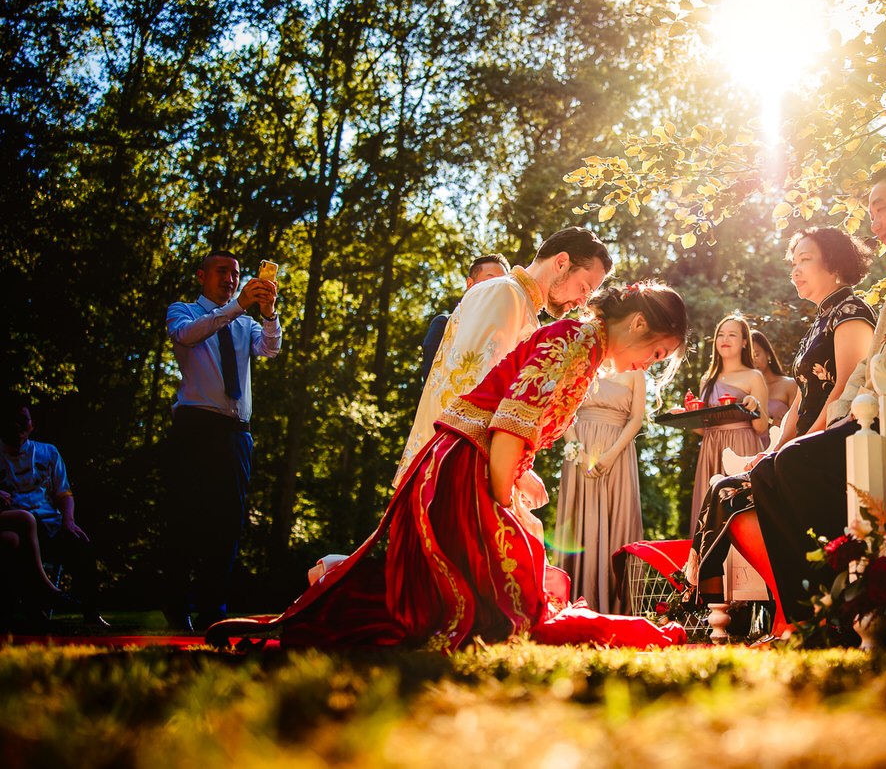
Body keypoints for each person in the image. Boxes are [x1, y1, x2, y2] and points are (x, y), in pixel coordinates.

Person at [207, 283, 689, 650]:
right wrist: (505, 511)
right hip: (462, 470)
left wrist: (518, 482)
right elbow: (507, 430)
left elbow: (513, 431)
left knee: (477, 600)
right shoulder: (578, 341)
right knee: (514, 616)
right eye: (658, 354)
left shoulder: (584, 343)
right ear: (641, 325)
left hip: (464, 465)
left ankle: (341, 578)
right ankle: (343, 580)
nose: (648, 364)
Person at [711, 162, 886, 637]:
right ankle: (810, 618)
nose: (874, 223)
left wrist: (844, 414)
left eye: (880, 207)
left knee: (797, 463)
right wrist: (844, 412)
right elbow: (872, 366)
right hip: (881, 410)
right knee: (770, 468)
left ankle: (842, 610)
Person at [688, 228, 875, 625]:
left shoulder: (851, 312)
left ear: (836, 264)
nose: (795, 271)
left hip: (837, 447)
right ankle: (783, 610)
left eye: (805, 260)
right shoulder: (819, 322)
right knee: (725, 490)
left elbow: (846, 388)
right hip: (804, 447)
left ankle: (804, 614)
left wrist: (799, 446)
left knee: (753, 485)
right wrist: (771, 450)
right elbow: (801, 404)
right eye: (793, 263)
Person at [397, 228, 613, 503]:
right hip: (446, 472)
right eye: (585, 288)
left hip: (456, 469)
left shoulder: (520, 305)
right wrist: (517, 472)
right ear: (561, 262)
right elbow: (469, 390)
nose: (584, 301)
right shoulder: (504, 293)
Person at [164, 250, 281, 632]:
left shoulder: (243, 322)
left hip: (236, 435)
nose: (230, 279)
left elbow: (270, 349)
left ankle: (213, 609)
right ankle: (177, 607)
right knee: (183, 517)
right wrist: (237, 307)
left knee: (227, 524)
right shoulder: (183, 311)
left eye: (235, 274)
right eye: (221, 271)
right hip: (195, 428)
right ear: (202, 276)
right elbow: (187, 336)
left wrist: (267, 314)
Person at [0, 397, 104, 624]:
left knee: (80, 543)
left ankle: (92, 613)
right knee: (13, 543)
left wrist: (68, 520)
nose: (16, 425)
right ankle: (34, 607)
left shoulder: (48, 452)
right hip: (15, 521)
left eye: (22, 420)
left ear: (32, 423)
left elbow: (63, 493)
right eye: (11, 420)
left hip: (48, 520)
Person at [552, 366, 647, 613]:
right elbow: (564, 409)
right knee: (579, 522)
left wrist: (611, 455)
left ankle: (617, 607)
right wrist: (578, 453)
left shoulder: (635, 370)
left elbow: (636, 419)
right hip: (579, 452)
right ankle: (571, 602)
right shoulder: (583, 360)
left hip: (618, 454)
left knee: (617, 521)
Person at [688, 315, 769, 536]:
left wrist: (756, 406)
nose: (725, 339)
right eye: (720, 334)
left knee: (738, 509)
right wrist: (687, 416)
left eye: (732, 335)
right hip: (710, 447)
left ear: (744, 342)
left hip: (741, 444)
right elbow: (702, 429)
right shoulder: (707, 379)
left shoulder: (754, 376)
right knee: (708, 511)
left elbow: (762, 427)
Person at [421, 254, 510, 383]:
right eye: (490, 280)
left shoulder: (507, 333)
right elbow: (431, 382)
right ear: (470, 283)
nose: (497, 287)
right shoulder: (444, 325)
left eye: (503, 282)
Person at [751, 330, 798, 431]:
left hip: (782, 444)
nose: (753, 361)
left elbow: (801, 424)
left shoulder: (789, 385)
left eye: (756, 355)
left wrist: (781, 425)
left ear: (768, 354)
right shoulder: (743, 392)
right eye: (747, 358)